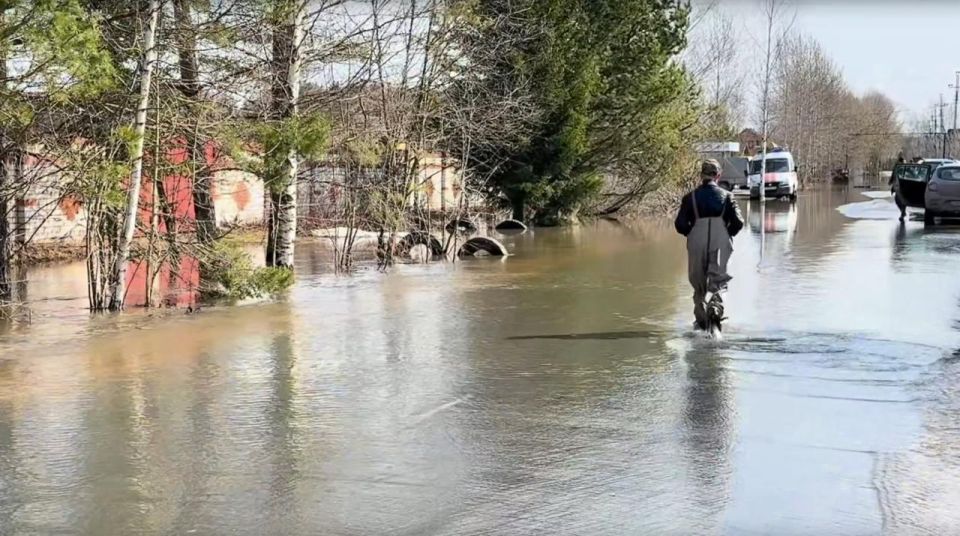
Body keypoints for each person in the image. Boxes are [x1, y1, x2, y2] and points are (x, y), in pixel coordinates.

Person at [674, 159, 745, 331]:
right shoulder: (727, 197)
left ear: (701, 176)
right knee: (719, 281)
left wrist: (691, 233)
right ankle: (715, 307)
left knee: (698, 283)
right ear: (718, 176)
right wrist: (728, 234)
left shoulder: (689, 198)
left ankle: (701, 321)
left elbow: (680, 225)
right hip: (720, 240)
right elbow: (739, 222)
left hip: (696, 240)